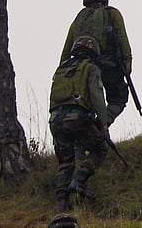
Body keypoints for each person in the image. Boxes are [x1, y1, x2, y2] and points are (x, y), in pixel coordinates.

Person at [49, 36, 109, 213]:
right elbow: (97, 96)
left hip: (55, 120)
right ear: (93, 51)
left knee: (65, 162)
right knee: (100, 149)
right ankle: (80, 181)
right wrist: (103, 125)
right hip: (78, 118)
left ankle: (61, 204)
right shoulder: (90, 68)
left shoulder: (61, 69)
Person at [60, 0, 132, 125]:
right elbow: (122, 38)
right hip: (109, 66)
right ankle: (102, 124)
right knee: (119, 98)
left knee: (87, 103)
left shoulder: (78, 19)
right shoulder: (112, 13)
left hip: (81, 69)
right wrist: (128, 61)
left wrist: (63, 70)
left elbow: (66, 49)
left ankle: (93, 128)